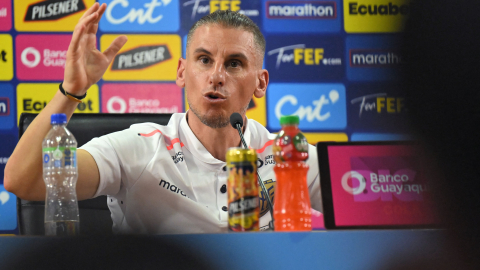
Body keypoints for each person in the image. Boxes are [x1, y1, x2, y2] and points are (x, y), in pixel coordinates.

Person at [4, 3, 321, 234]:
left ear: (261, 83)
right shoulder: (139, 148)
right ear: (182, 72)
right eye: (204, 60)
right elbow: (23, 180)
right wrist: (72, 90)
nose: (216, 76)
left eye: (234, 63)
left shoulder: (291, 153)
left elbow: (364, 212)